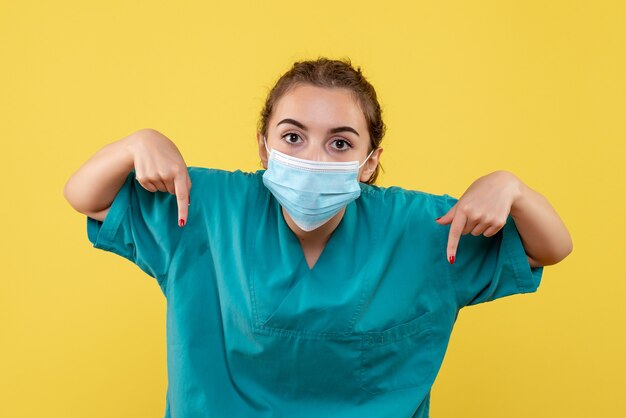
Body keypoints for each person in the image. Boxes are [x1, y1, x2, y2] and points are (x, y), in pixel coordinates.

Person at [64, 57, 573, 418]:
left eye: (340, 143)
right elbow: (86, 196)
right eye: (293, 137)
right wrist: (137, 144)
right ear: (264, 148)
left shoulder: (422, 228)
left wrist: (512, 188)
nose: (313, 158)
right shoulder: (207, 209)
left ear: (369, 161)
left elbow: (551, 247)